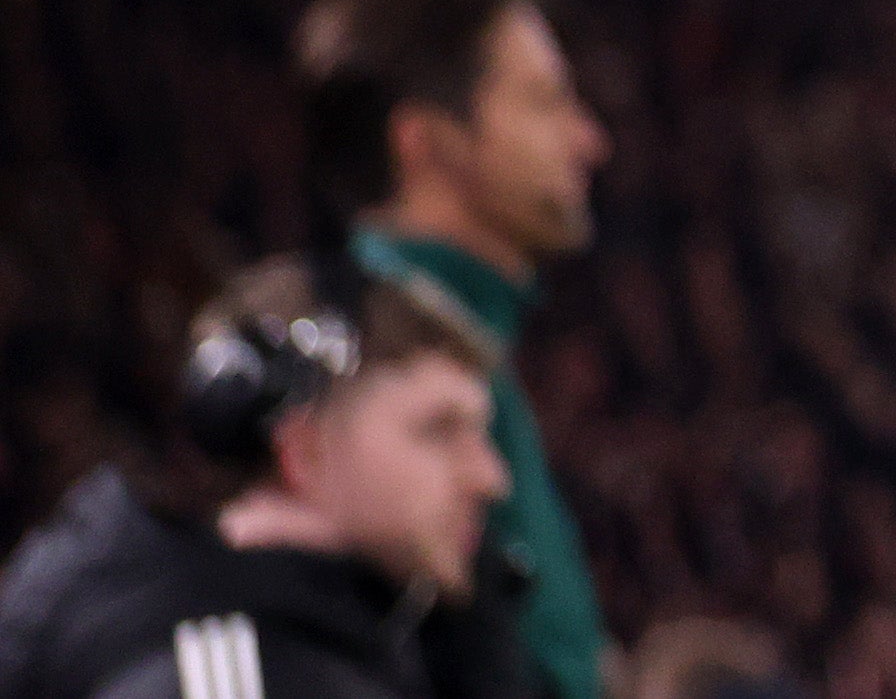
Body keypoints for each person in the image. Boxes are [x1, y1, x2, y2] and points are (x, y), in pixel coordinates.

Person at [294, 0, 612, 699]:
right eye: (545, 102)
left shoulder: (465, 338)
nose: (589, 140)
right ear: (426, 141)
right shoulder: (378, 383)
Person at [0, 261, 520, 699]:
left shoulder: (354, 644)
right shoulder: (228, 679)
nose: (490, 477)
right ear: (303, 451)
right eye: (439, 429)